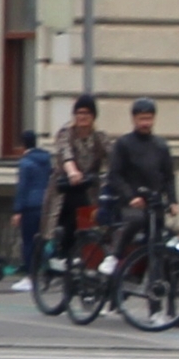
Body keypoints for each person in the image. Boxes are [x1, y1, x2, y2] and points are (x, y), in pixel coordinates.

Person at [100, 98, 178, 277]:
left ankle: (154, 278)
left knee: (161, 237)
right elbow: (115, 175)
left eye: (149, 119)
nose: (146, 123)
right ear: (134, 119)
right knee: (135, 221)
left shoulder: (160, 146)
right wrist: (130, 197)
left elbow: (168, 176)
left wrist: (173, 201)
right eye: (142, 119)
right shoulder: (124, 144)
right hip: (131, 203)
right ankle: (114, 256)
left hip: (154, 202)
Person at [40, 95, 110, 272]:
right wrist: (72, 171)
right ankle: (58, 254)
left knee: (94, 221)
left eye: (86, 113)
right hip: (64, 189)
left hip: (89, 189)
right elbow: (66, 154)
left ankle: (87, 258)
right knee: (69, 217)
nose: (82, 117)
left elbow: (114, 158)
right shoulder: (66, 134)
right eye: (78, 113)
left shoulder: (99, 138)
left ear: (93, 116)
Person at [11, 128, 52, 291]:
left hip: (29, 205)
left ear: (23, 145)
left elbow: (22, 187)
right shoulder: (46, 159)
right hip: (45, 204)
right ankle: (45, 272)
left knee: (28, 242)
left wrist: (17, 211)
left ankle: (30, 276)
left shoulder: (25, 162)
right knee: (42, 240)